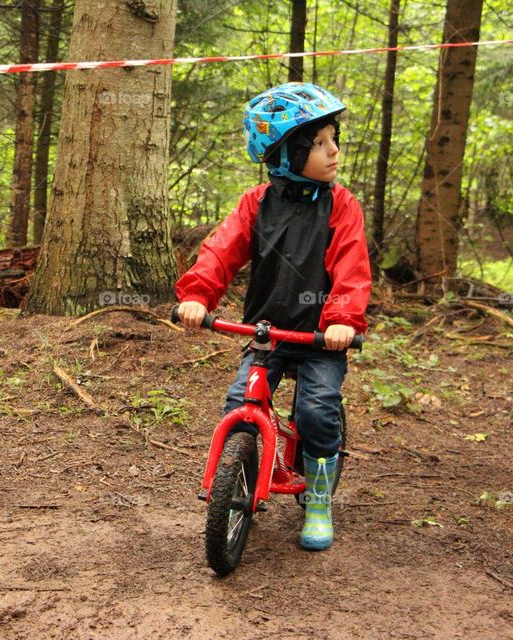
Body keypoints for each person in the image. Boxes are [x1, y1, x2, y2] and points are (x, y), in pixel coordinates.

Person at [175, 82, 371, 551]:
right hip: (267, 332)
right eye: (318, 143)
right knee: (239, 405)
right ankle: (237, 485)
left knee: (317, 411)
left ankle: (319, 498)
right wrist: (198, 295)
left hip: (322, 338)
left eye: (333, 139)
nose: (333, 151)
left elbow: (351, 267)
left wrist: (342, 318)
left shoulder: (341, 205)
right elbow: (220, 252)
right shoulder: (256, 203)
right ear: (286, 153)